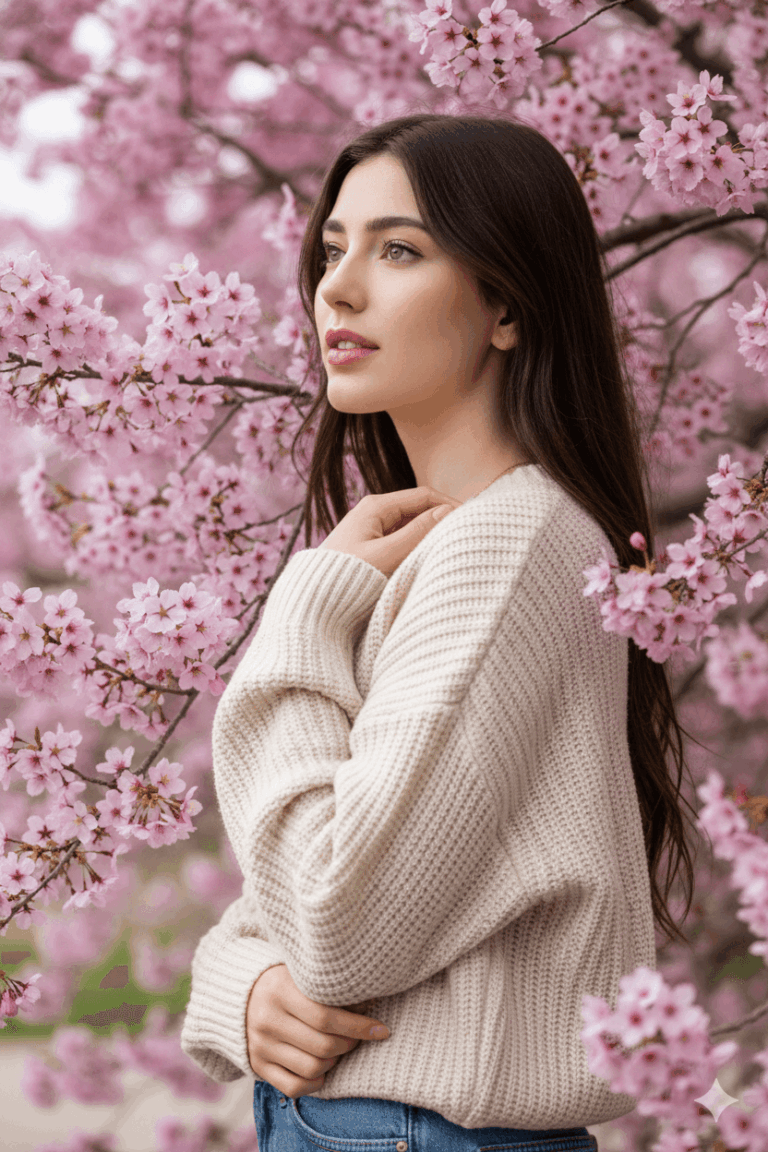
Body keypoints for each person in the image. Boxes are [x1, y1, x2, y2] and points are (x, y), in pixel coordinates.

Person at [180, 114, 700, 1151]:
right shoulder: (476, 543)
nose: (339, 288)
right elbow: (320, 880)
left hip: (415, 1128)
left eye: (400, 250)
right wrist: (237, 981)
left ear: (506, 303)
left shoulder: (505, 549)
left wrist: (304, 608)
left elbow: (336, 925)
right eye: (334, 250)